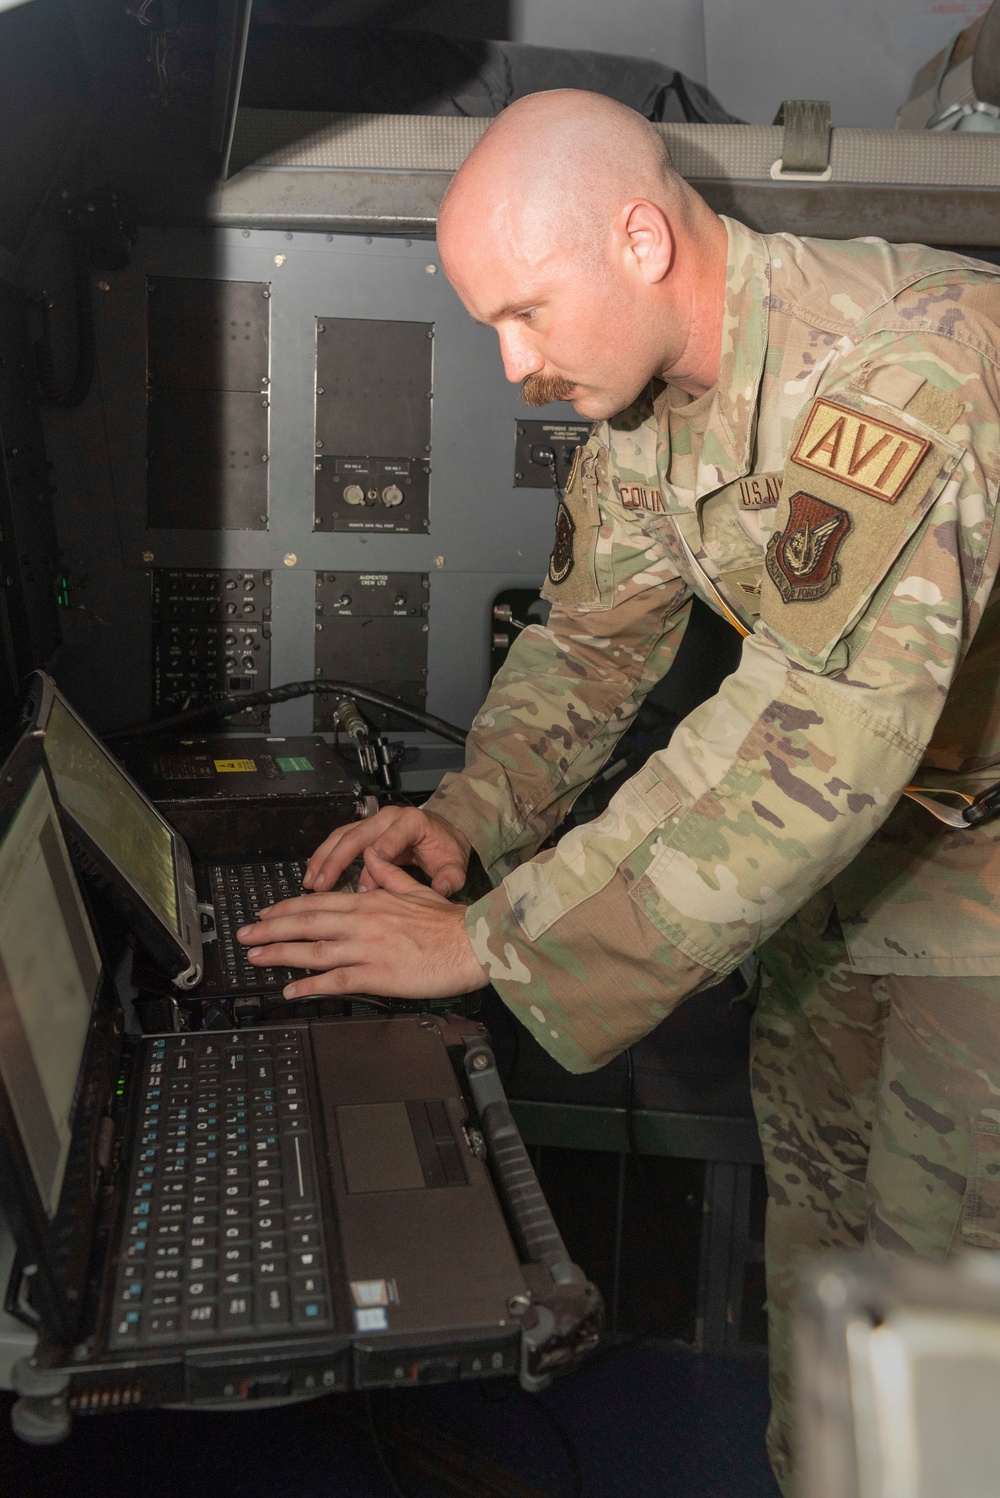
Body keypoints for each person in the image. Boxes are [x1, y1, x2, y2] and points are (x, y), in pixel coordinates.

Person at [237, 89, 1000, 1490]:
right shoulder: (653, 405)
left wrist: (491, 938)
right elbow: (591, 639)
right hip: (854, 864)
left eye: (525, 312)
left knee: (950, 1291)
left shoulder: (908, 372)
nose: (512, 364)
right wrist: (469, 819)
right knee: (827, 1245)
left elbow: (811, 734)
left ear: (641, 238)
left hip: (974, 877)